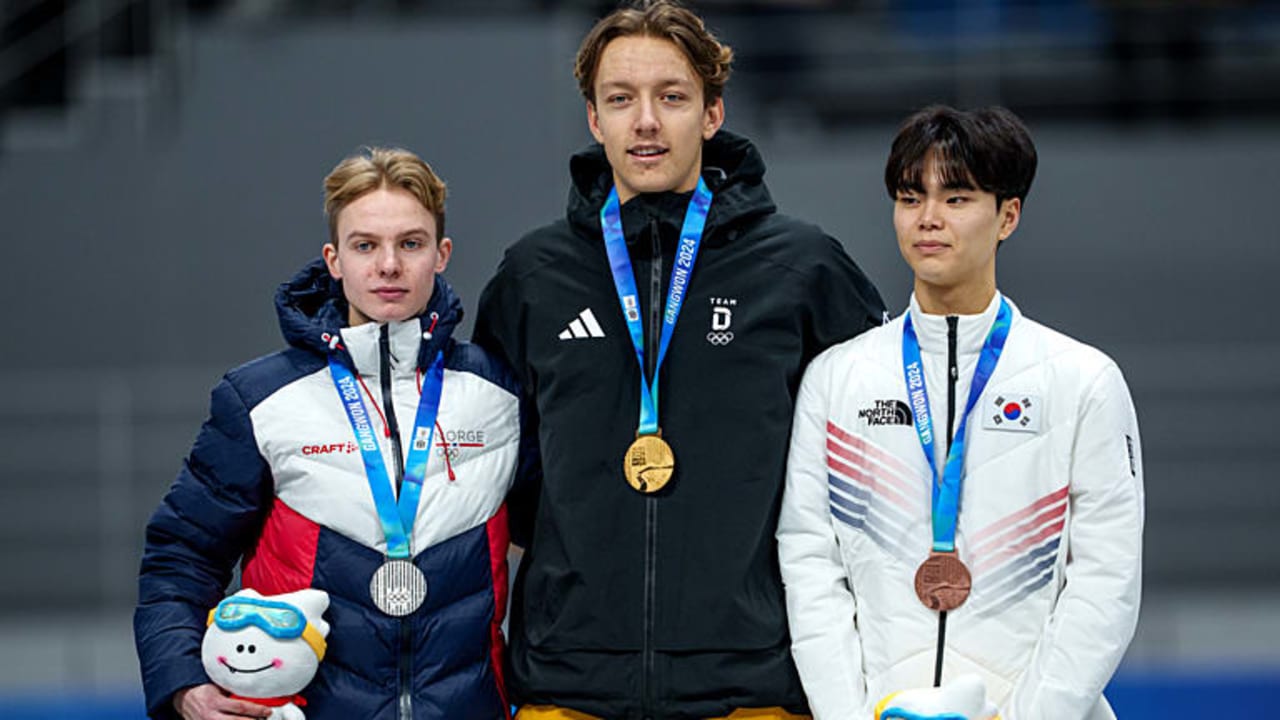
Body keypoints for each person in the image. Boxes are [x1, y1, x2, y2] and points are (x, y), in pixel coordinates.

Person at [472, 2, 885, 718]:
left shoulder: (802, 269)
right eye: (620, 100)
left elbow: (877, 463)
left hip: (752, 685)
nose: (646, 122)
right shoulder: (533, 277)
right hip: (570, 685)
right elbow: (493, 465)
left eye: (671, 97)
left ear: (713, 112)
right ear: (595, 120)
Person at [777, 105, 1144, 720]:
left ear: (1008, 215)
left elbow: (1106, 582)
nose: (928, 219)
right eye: (910, 195)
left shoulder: (1082, 382)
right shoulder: (837, 379)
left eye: (957, 198)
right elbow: (811, 566)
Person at [134, 147, 523, 720]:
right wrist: (185, 684)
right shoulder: (260, 400)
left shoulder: (500, 394)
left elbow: (563, 541)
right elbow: (180, 554)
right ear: (334, 259)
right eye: (365, 245)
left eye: (410, 244)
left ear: (441, 255)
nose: (388, 265)